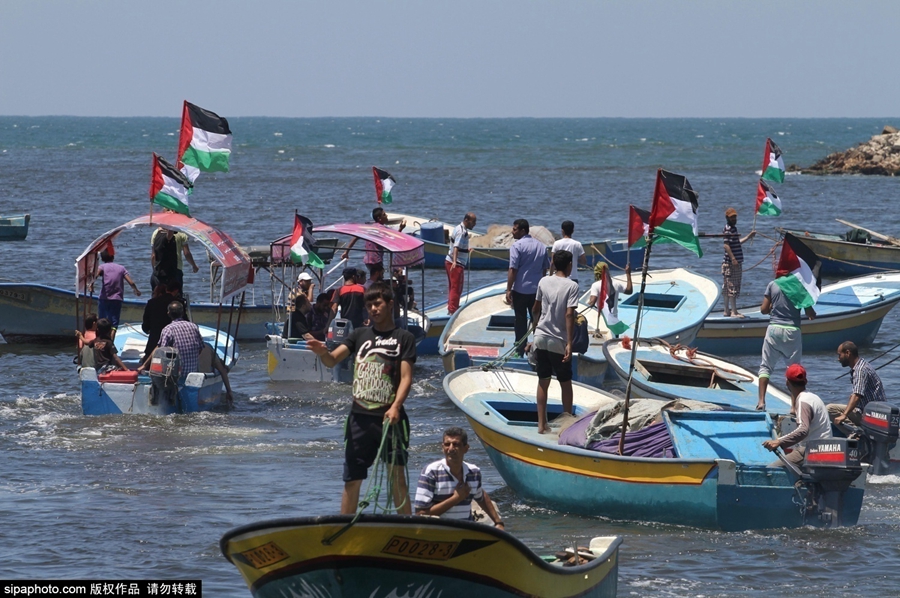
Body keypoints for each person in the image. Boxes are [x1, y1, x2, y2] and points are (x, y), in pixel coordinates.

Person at [307, 282, 417, 515]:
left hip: (391, 419)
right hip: (359, 418)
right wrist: (322, 352)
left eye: (378, 304)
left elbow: (407, 378)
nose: (373, 309)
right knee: (352, 479)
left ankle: (407, 526)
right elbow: (332, 360)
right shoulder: (359, 335)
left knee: (396, 479)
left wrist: (396, 407)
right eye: (369, 306)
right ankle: (344, 528)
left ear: (390, 304)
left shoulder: (403, 338)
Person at [414, 426, 504, 527]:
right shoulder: (431, 472)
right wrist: (456, 498)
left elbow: (481, 497)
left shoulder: (473, 472)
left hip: (465, 531)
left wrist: (498, 522)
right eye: (447, 444)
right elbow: (420, 514)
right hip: (439, 532)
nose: (451, 448)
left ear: (466, 448)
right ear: (442, 447)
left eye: (456, 444)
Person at [531, 250, 580, 434]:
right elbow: (569, 314)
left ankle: (541, 425)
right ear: (569, 265)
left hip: (540, 337)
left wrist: (534, 329)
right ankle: (567, 426)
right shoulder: (572, 286)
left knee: (543, 381)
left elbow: (536, 309)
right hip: (558, 339)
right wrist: (569, 342)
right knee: (565, 382)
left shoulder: (544, 281)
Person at [756, 277, 816, 411]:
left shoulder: (772, 284)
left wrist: (772, 306)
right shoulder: (798, 286)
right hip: (792, 331)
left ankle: (761, 402)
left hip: (774, 329)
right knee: (794, 369)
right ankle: (794, 408)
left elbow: (764, 310)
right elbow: (810, 314)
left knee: (766, 366)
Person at [763, 364, 831, 467]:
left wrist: (779, 441)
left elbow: (803, 429)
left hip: (812, 450)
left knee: (771, 469)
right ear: (806, 382)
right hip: (826, 448)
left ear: (787, 382)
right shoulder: (814, 397)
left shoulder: (803, 401)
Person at [505, 219, 550, 357]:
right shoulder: (542, 246)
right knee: (537, 320)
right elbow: (545, 269)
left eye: (515, 229)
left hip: (521, 290)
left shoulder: (517, 246)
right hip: (537, 291)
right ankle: (538, 349)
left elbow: (513, 269)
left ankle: (520, 350)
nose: (512, 232)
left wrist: (508, 289)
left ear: (523, 231)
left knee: (520, 320)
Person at [827, 341, 887, 428]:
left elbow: (857, 395)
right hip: (872, 411)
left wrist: (844, 415)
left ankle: (856, 434)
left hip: (872, 415)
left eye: (840, 355)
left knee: (830, 409)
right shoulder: (863, 364)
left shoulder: (860, 370)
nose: (838, 359)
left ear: (847, 353)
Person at [340, 207, 406, 272]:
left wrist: (346, 252)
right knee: (378, 278)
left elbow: (356, 237)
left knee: (375, 277)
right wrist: (401, 228)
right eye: (384, 215)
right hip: (376, 260)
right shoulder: (383, 229)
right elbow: (393, 240)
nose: (386, 216)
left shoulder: (369, 227)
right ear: (379, 218)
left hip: (367, 260)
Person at [93, 249, 141, 338]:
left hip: (104, 298)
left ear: (102, 259)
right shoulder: (121, 268)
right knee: (114, 325)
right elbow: (131, 282)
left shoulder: (102, 267)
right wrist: (136, 290)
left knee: (101, 322)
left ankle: (100, 342)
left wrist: (91, 285)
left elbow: (95, 276)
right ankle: (110, 344)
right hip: (116, 299)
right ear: (113, 257)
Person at [722, 208, 756, 317]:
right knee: (732, 286)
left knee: (727, 286)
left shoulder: (733, 229)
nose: (734, 219)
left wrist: (748, 236)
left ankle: (727, 310)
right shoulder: (728, 229)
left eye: (735, 217)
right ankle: (733, 312)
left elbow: (736, 243)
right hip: (731, 263)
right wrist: (733, 258)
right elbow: (726, 245)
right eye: (732, 217)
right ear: (727, 218)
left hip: (732, 262)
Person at [587, 262, 633, 335]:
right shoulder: (616, 284)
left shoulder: (595, 285)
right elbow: (629, 290)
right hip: (614, 318)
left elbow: (592, 302)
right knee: (614, 334)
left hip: (603, 319)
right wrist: (628, 274)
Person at [150, 224, 200, 290]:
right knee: (176, 294)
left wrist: (154, 270)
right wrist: (194, 265)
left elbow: (153, 255)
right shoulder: (181, 234)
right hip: (175, 269)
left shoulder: (156, 233)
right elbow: (186, 253)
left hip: (158, 270)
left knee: (158, 295)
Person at [445, 212, 477, 314]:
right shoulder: (461, 232)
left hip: (450, 261)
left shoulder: (459, 228)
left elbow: (458, 246)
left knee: (452, 286)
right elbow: (456, 247)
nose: (474, 224)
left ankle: (451, 305)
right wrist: (454, 262)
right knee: (456, 287)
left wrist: (466, 250)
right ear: (467, 220)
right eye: (473, 222)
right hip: (456, 263)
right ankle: (453, 310)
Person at [142, 282, 178, 357]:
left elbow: (145, 326)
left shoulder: (151, 303)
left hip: (153, 344)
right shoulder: (178, 303)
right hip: (175, 347)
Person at [550, 220, 587, 285]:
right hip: (573, 278)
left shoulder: (556, 244)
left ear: (562, 231)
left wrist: (550, 276)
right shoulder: (577, 244)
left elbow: (552, 263)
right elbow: (584, 262)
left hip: (559, 278)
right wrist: (576, 260)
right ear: (573, 231)